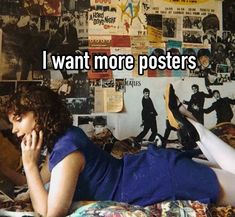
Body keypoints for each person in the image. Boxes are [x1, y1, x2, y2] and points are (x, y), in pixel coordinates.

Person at [5, 84, 235, 217]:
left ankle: (197, 130)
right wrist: (16, 167)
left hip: (157, 179)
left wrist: (29, 164)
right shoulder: (64, 139)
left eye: (18, 120)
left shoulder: (67, 151)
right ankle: (194, 126)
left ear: (40, 113)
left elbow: (50, 213)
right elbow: (30, 183)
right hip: (151, 170)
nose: (15, 130)